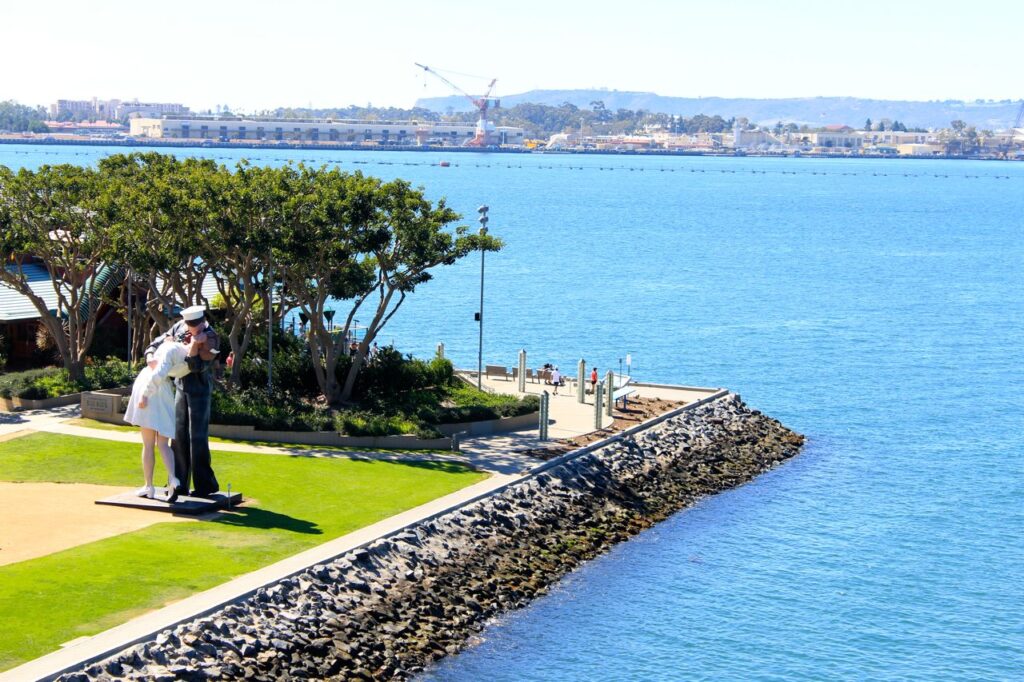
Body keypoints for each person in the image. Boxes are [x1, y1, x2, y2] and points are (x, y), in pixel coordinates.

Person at [145, 305, 220, 498]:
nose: (190, 329)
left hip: (199, 390)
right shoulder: (179, 327)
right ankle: (178, 482)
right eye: (188, 325)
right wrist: (150, 355)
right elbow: (157, 342)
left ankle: (205, 485)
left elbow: (196, 367)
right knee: (177, 436)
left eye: (194, 326)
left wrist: (195, 345)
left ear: (203, 322)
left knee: (197, 438)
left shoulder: (211, 337)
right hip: (180, 387)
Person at [123, 336, 191, 501]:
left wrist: (145, 395)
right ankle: (172, 478)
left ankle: (149, 485)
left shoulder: (170, 350)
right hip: (165, 391)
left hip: (152, 387)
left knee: (148, 444)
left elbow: (157, 373)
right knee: (162, 444)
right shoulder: (183, 354)